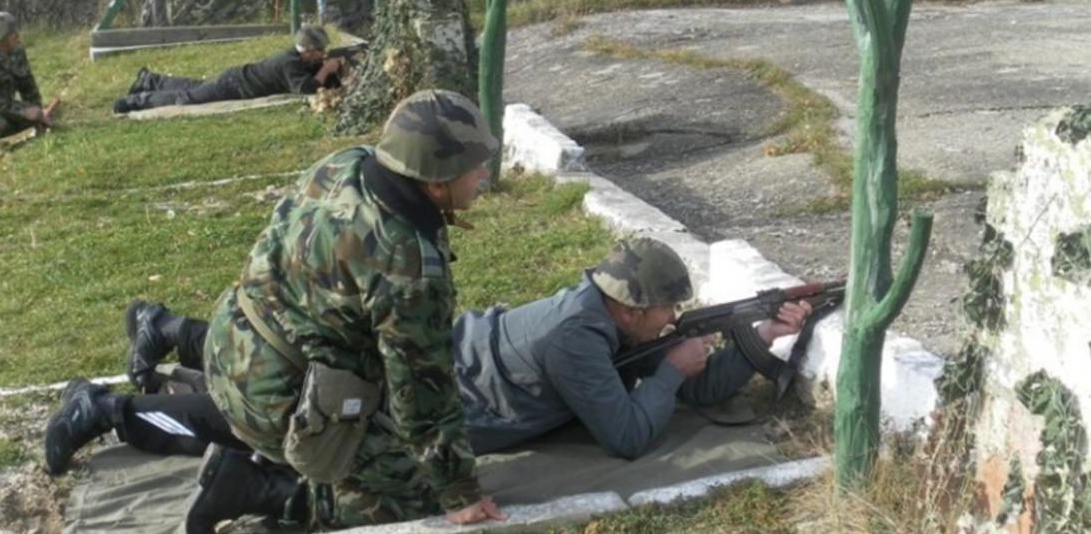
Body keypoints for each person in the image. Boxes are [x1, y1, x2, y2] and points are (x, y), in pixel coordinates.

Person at [47, 238, 810, 526]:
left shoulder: (601, 321)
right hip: (413, 400)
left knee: (260, 406)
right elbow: (633, 437)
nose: (676, 319)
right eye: (669, 311)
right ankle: (108, 409)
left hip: (424, 370)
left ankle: (138, 378)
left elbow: (696, 390)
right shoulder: (579, 343)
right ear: (631, 306)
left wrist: (758, 342)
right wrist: (674, 373)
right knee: (249, 419)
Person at [111, 24, 343, 114]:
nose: (323, 55)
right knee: (187, 98)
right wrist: (327, 68)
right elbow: (308, 89)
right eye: (320, 51)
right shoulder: (289, 63)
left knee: (195, 87)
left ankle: (150, 80)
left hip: (233, 78)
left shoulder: (295, 58)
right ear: (309, 50)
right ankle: (134, 101)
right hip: (232, 86)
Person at [0, 11, 51, 139]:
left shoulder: (17, 51)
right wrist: (24, 111)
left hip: (6, 109)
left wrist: (37, 112)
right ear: (0, 39)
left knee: (33, 114)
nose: (18, 36)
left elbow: (27, 84)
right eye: (12, 35)